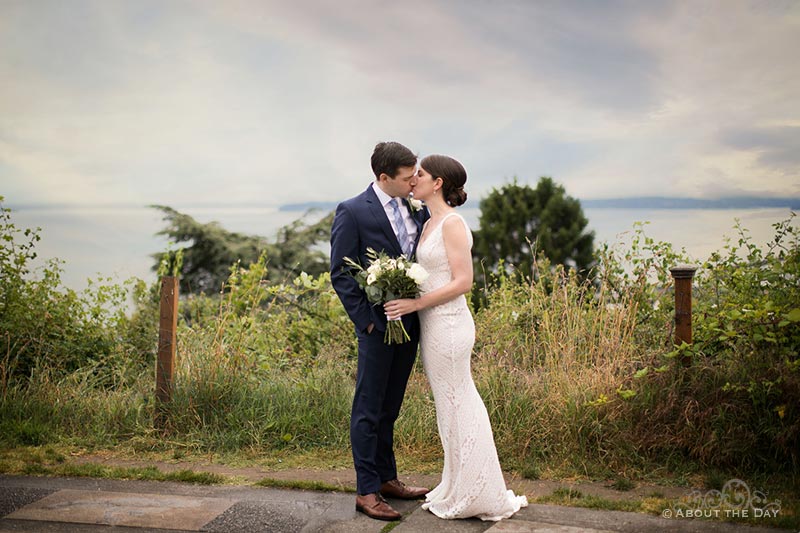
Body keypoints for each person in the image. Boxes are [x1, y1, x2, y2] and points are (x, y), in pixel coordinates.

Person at [384, 154, 529, 521]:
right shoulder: (429, 221)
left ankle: (480, 491)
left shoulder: (452, 223)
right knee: (448, 408)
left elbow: (463, 282)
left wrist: (414, 303)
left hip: (450, 326)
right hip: (434, 327)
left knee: (460, 402)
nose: (413, 179)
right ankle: (458, 483)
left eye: (421, 174)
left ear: (438, 183)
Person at [330, 141, 431, 521]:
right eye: (406, 178)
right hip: (376, 328)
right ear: (383, 177)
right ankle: (367, 490)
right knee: (368, 409)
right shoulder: (353, 211)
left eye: (415, 176)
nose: (412, 183)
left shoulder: (414, 206)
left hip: (410, 325)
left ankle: (389, 479)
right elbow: (340, 272)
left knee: (391, 407)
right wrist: (368, 322)